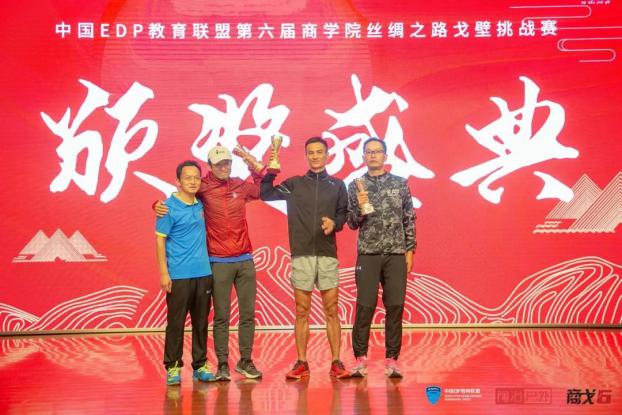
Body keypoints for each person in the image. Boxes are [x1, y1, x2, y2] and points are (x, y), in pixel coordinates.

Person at [155, 145, 263, 381]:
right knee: (211, 318)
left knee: (230, 317)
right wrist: (156, 204)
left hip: (230, 263)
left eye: (227, 163)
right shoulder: (198, 189)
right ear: (210, 166)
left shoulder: (232, 188)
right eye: (218, 164)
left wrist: (249, 159)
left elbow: (263, 185)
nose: (223, 167)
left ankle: (233, 362)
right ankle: (212, 364)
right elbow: (176, 201)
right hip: (211, 263)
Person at [260, 136, 351, 379]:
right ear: (306, 156)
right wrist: (271, 172)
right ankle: (302, 362)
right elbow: (266, 193)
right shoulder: (294, 184)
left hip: (327, 255)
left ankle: (336, 362)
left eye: (319, 152)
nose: (315, 156)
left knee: (331, 310)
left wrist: (335, 223)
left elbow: (343, 214)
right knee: (302, 311)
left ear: (327, 155)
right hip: (301, 255)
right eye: (311, 152)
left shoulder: (338, 185)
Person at [346, 137, 416, 379]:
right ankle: (360, 359)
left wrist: (410, 250)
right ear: (363, 157)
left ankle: (392, 360)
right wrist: (360, 207)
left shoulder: (400, 183)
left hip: (396, 254)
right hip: (368, 254)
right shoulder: (356, 185)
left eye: (377, 152)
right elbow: (352, 222)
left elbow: (409, 218)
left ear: (385, 156)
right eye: (368, 152)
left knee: (395, 307)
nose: (373, 155)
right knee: (364, 307)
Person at [156, 160, 215, 385]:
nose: (192, 181)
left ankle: (200, 365)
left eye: (196, 177)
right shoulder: (167, 208)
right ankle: (172, 367)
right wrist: (164, 273)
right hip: (179, 275)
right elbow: (160, 242)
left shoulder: (201, 204)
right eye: (187, 178)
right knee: (176, 322)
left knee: (201, 323)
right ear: (178, 182)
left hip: (203, 273)